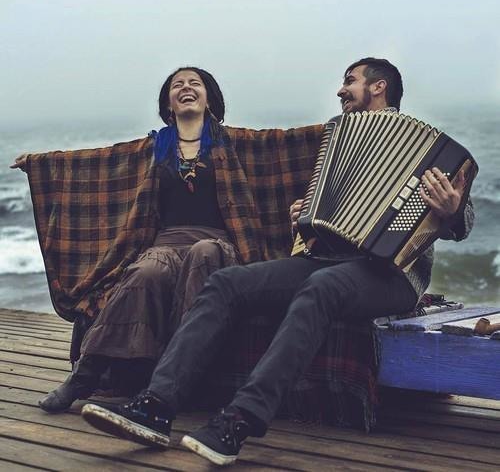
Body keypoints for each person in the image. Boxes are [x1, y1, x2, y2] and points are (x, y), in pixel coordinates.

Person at [80, 57, 474, 465]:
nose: (341, 90)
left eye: (350, 81)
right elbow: (326, 206)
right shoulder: (339, 134)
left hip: (390, 274)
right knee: (227, 283)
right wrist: (304, 217)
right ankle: (156, 405)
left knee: (321, 287)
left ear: (378, 87)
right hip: (325, 258)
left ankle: (239, 420)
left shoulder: (429, 147)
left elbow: (464, 220)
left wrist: (451, 210)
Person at [11, 67, 326, 414]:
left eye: (195, 83)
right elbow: (96, 162)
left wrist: (342, 128)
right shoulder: (155, 147)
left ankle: (175, 383)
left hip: (217, 242)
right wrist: (41, 164)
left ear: (209, 99)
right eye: (178, 85)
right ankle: (83, 377)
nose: (186, 87)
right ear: (168, 104)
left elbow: (290, 144)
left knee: (203, 254)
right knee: (146, 271)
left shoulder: (233, 142)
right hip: (166, 243)